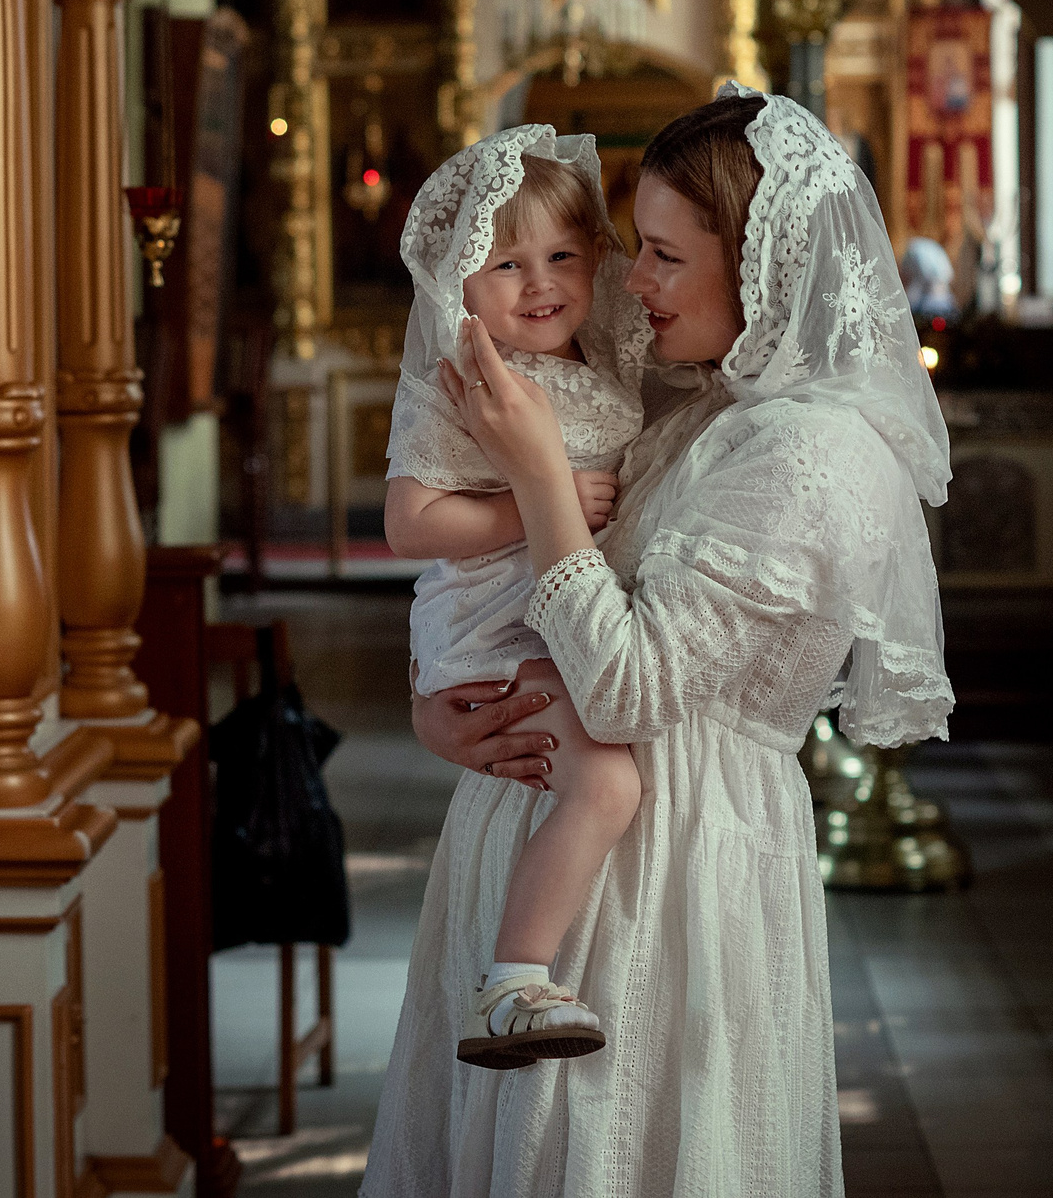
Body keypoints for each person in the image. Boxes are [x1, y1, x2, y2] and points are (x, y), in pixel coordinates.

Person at [363, 85, 953, 1198]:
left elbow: (630, 687)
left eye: (666, 255)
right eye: (633, 247)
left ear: (760, 260)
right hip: (546, 827)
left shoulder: (814, 455)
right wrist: (439, 697)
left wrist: (538, 475)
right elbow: (509, 582)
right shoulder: (703, 405)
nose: (630, 281)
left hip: (667, 886)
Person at [382, 127, 654, 1070]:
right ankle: (513, 980)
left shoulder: (596, 361)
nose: (541, 283)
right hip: (494, 622)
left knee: (605, 776)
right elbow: (410, 524)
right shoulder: (462, 377)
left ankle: (518, 971)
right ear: (458, 278)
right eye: (506, 263)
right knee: (608, 778)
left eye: (563, 257)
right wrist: (534, 503)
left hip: (555, 608)